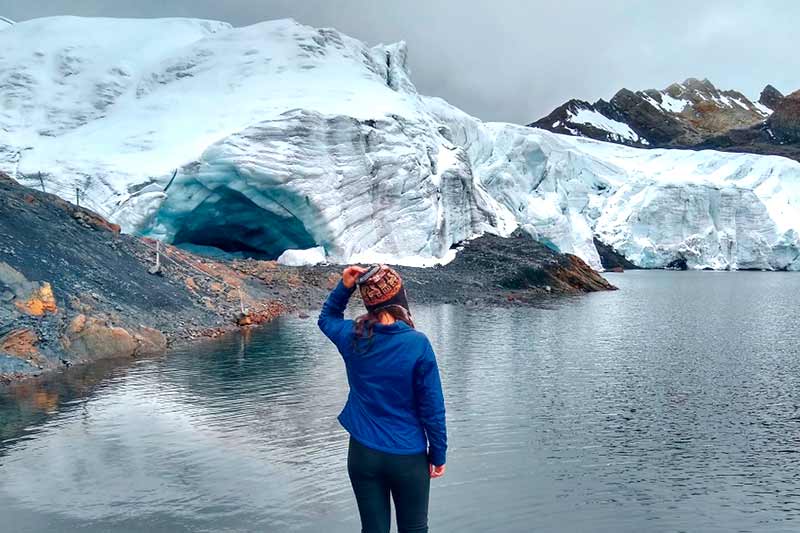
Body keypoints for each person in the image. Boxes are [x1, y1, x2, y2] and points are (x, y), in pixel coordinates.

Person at [318, 264, 447, 533]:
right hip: (407, 456)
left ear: (370, 303)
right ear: (398, 297)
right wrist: (438, 454)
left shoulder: (353, 335)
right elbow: (432, 408)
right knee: (414, 529)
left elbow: (327, 317)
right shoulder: (417, 343)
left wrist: (345, 286)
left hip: (363, 453)